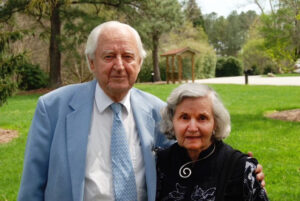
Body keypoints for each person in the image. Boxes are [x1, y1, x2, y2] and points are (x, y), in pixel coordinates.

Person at [17, 21, 265, 201]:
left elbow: (185, 161)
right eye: (109, 56)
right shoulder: (53, 108)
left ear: (140, 63)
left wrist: (243, 172)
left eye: (128, 56)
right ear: (91, 63)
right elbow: (31, 189)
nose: (119, 66)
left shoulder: (157, 111)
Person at [156, 83, 269, 201]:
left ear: (215, 123)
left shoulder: (240, 168)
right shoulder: (160, 163)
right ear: (172, 121)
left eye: (202, 118)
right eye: (184, 117)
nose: (193, 128)